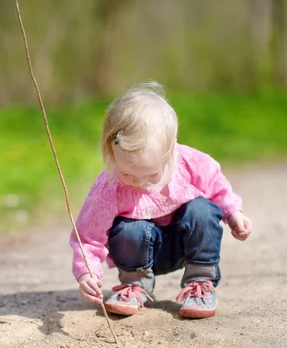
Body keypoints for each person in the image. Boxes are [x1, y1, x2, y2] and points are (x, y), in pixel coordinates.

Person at [69, 81, 252, 318]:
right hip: (137, 255)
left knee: (202, 209)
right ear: (111, 152)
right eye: (127, 173)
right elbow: (88, 237)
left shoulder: (188, 163)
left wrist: (233, 212)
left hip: (185, 244)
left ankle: (200, 284)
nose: (139, 182)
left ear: (170, 152)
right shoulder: (108, 187)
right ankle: (134, 285)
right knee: (130, 227)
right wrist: (87, 274)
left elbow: (216, 185)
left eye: (151, 174)